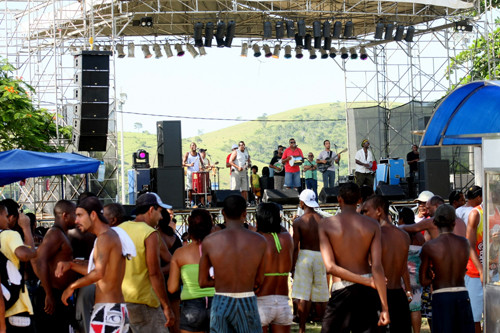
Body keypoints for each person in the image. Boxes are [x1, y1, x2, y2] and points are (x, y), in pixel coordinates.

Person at [56, 197, 135, 333]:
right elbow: (98, 270)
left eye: (80, 215)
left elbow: (98, 273)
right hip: (115, 310)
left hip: (107, 311)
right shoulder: (111, 235)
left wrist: (72, 287)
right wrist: (71, 265)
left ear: (93, 215)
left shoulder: (105, 238)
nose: (76, 220)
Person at [318, 183, 389, 332]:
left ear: (339, 199)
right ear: (359, 200)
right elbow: (377, 266)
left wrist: (368, 282)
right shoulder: (373, 225)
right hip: (367, 288)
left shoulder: (325, 225)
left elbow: (330, 267)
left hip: (343, 288)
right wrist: (384, 308)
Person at [199, 195, 266, 332]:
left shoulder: (210, 241)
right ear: (244, 214)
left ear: (223, 213)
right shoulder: (259, 241)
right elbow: (259, 280)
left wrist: (223, 281)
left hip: (221, 299)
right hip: (247, 299)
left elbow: (202, 282)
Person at [118, 193, 175, 332]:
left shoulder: (119, 229)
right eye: (160, 212)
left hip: (120, 301)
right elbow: (154, 273)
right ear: (151, 210)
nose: (161, 217)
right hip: (144, 303)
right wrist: (166, 306)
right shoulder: (150, 234)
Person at [419, 204, 474, 333]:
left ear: (435, 222)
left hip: (441, 296)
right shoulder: (464, 243)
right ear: (454, 222)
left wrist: (432, 275)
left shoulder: (430, 246)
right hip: (462, 294)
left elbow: (423, 281)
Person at [361, 195, 411, 333]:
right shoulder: (404, 235)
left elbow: (370, 265)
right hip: (399, 296)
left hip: (379, 296)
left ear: (378, 211)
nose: (363, 215)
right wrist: (408, 291)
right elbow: (403, 268)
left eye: (366, 211)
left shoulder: (374, 235)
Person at [33, 200, 78, 333]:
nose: (77, 218)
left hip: (58, 294)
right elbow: (38, 260)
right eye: (75, 214)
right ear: (65, 215)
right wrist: (49, 294)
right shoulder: (55, 234)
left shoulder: (62, 234)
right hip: (52, 294)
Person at [167, 209, 215, 333]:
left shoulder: (179, 254)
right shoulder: (220, 251)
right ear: (210, 227)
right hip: (217, 305)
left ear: (190, 228)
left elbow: (172, 288)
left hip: (191, 307)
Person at [291, 189, 329, 333]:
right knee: (322, 295)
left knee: (302, 296)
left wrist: (292, 266)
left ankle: (302, 328)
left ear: (302, 203)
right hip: (320, 256)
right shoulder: (323, 220)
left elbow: (295, 247)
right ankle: (326, 327)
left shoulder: (299, 222)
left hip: (305, 256)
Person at [255, 203, 293, 333]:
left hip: (261, 302)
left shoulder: (257, 240)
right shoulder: (287, 238)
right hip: (283, 303)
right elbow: (281, 229)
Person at [0, 202, 36, 332]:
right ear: (10, 218)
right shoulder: (9, 235)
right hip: (18, 308)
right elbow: (25, 255)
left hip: (4, 309)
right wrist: (26, 227)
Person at [398, 207, 425, 333]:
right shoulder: (419, 235)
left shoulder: (400, 234)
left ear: (401, 219)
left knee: (401, 307)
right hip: (417, 276)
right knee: (415, 306)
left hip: (402, 276)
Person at [464, 188, 484, 333]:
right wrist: (481, 270)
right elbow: (469, 245)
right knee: (474, 317)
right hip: (475, 273)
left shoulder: (497, 211)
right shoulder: (476, 213)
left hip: (494, 272)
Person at [183, 142, 201, 207]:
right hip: (190, 173)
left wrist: (203, 167)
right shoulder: (188, 154)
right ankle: (191, 202)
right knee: (190, 188)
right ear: (190, 147)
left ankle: (198, 202)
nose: (193, 146)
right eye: (192, 145)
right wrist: (189, 165)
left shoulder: (198, 154)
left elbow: (201, 163)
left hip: (197, 173)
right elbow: (183, 163)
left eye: (194, 145)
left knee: (198, 188)